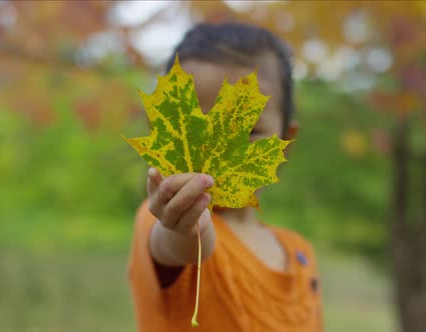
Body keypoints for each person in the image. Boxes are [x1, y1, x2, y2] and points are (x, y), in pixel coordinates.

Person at [128, 22, 323, 332]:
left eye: (249, 132)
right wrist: (187, 227)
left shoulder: (300, 253)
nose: (213, 153)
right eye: (195, 131)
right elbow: (179, 244)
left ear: (285, 142)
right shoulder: (161, 222)